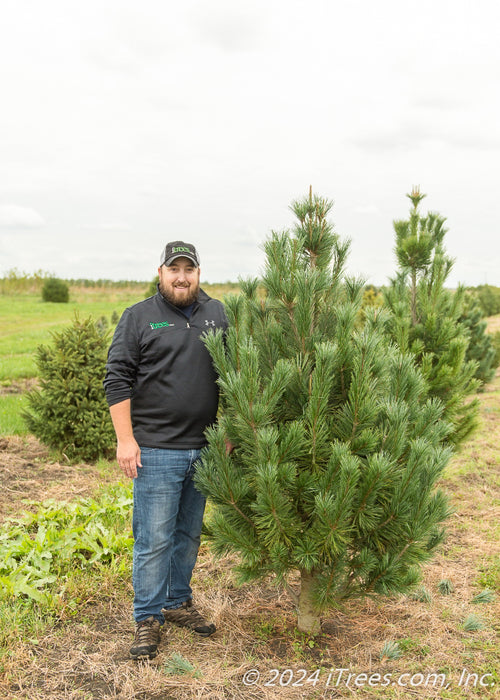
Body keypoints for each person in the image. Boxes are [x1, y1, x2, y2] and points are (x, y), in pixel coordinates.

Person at [103, 241, 229, 660]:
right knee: (153, 539)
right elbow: (117, 378)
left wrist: (230, 431)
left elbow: (233, 375)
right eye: (173, 269)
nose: (181, 276)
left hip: (205, 448)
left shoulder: (217, 314)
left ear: (198, 273)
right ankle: (147, 617)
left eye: (188, 269)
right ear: (160, 272)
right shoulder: (139, 317)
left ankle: (177, 602)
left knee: (188, 534)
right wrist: (126, 439)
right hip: (155, 449)